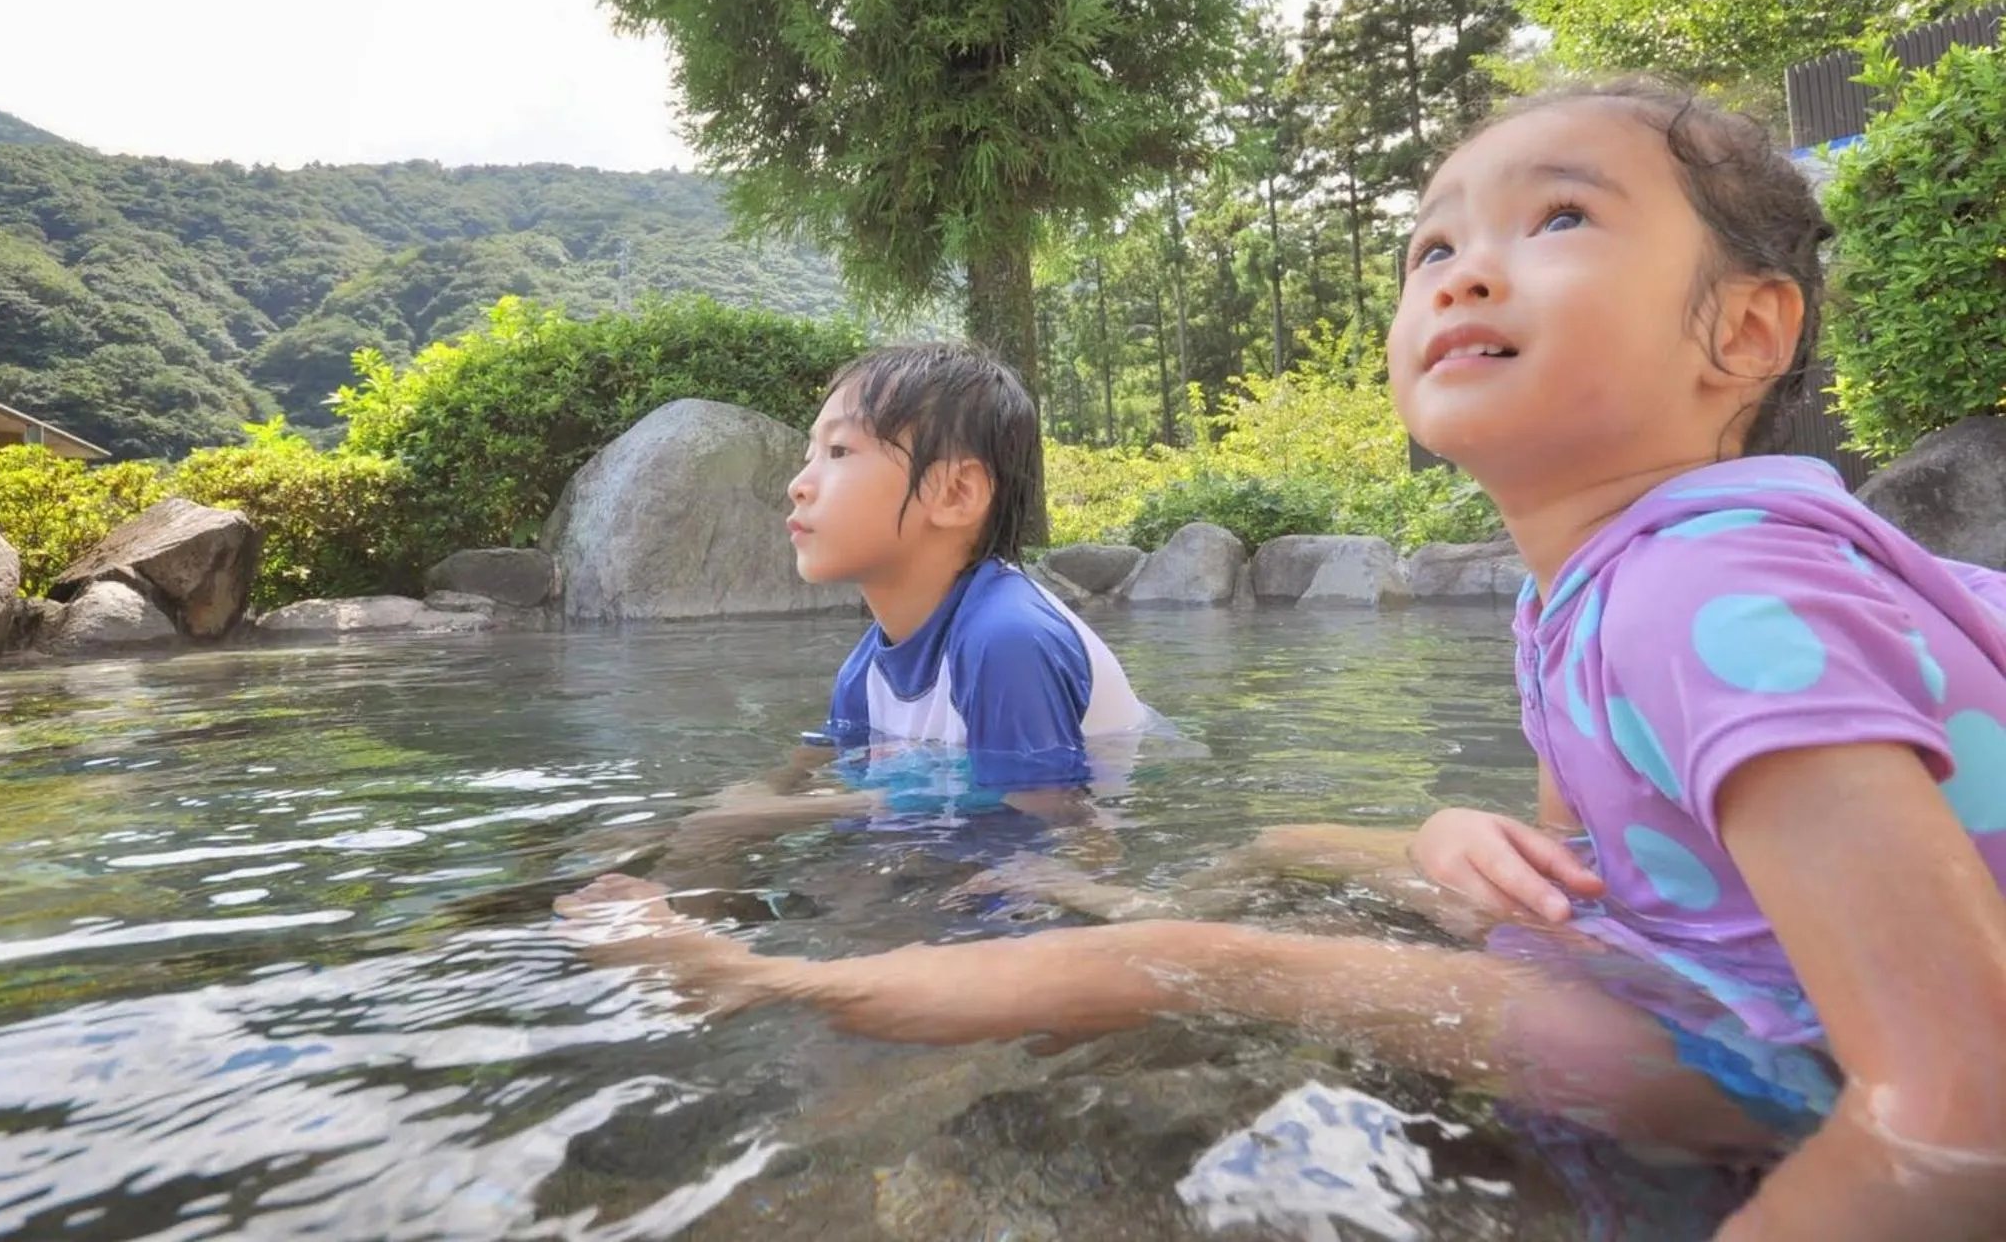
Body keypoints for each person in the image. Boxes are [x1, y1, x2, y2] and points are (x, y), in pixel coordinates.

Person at [558, 82, 2006, 1239]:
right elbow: (1591, 866)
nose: (1463, 272)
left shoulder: (1708, 588)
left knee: (1208, 958)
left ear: (1745, 328)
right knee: (1299, 841)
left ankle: (758, 985)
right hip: (1720, 982)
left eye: (1559, 218)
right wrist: (1451, 833)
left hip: (1789, 1069)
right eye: (1431, 246)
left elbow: (1962, 1108)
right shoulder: (1601, 584)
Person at [643, 341, 1148, 879]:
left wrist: (781, 815)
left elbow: (1056, 836)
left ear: (955, 493)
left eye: (837, 451)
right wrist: (688, 823)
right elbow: (825, 770)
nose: (798, 485)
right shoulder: (863, 674)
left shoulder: (1007, 638)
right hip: (968, 848)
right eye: (807, 456)